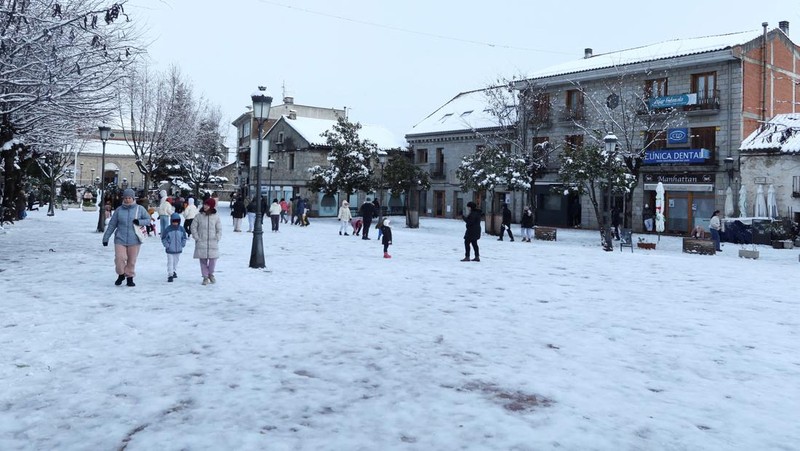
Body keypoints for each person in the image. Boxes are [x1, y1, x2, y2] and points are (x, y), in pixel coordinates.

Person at [102, 188, 151, 287]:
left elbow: (148, 219)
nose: (127, 200)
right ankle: (121, 274)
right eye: (126, 198)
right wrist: (106, 238)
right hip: (120, 239)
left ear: (133, 198)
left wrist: (139, 222)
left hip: (135, 239)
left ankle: (129, 277)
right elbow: (112, 224)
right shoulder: (119, 210)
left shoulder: (140, 209)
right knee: (120, 258)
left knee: (131, 260)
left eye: (129, 198)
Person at [191, 197, 222, 285]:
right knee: (203, 261)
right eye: (205, 204)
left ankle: (210, 274)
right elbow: (193, 227)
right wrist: (197, 237)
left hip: (213, 242)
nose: (205, 206)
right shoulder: (199, 216)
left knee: (213, 260)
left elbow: (219, 229)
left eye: (207, 205)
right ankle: (205, 277)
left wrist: (217, 237)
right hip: (201, 242)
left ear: (211, 206)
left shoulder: (216, 217)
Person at [161, 213, 187, 282]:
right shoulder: (168, 229)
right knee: (170, 262)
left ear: (179, 221)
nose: (175, 223)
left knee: (175, 261)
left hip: (178, 249)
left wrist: (183, 244)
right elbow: (164, 238)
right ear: (171, 221)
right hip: (170, 249)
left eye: (176, 221)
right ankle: (170, 274)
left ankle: (174, 271)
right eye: (174, 221)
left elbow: (184, 237)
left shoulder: (181, 229)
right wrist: (167, 245)